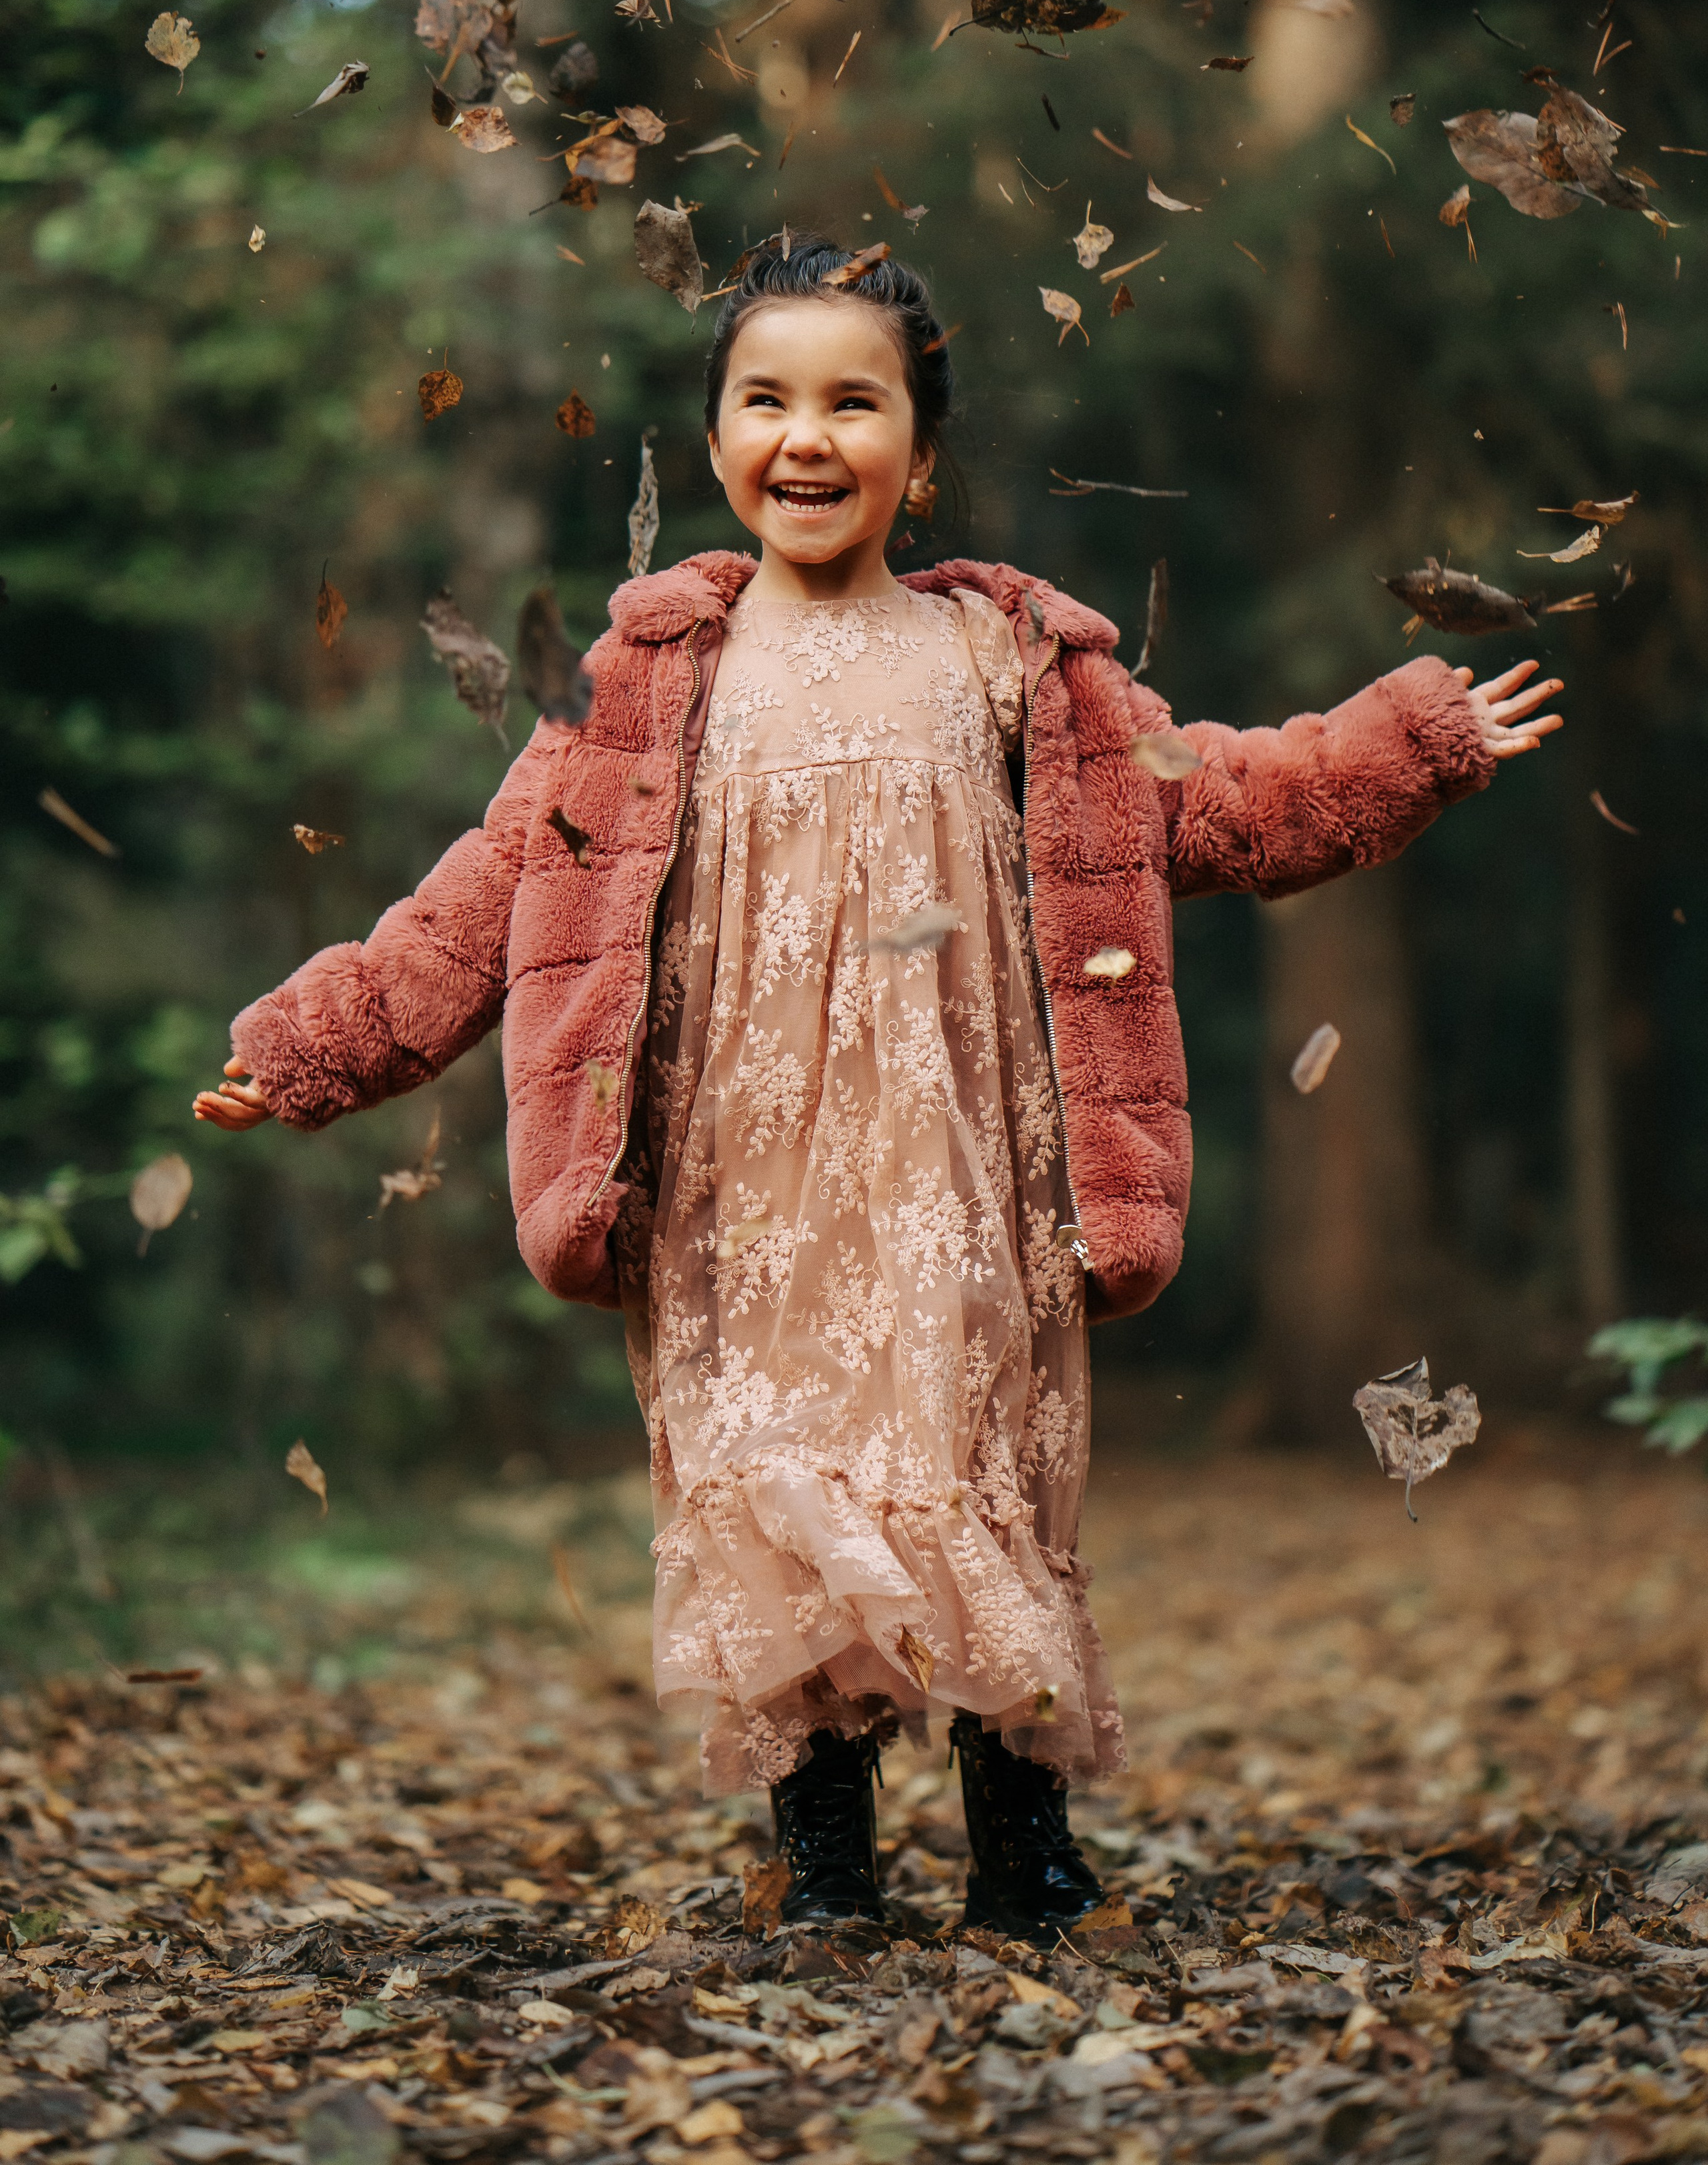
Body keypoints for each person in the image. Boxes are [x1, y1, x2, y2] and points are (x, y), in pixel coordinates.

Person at [195, 237, 1564, 1943]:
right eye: (765, 400)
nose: (807, 437)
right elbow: (487, 900)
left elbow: (1204, 797)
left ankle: (1022, 1845)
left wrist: (1405, 743)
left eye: (854, 403)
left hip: (958, 1154)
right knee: (772, 1472)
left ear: (919, 454)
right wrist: (311, 1044)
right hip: (734, 1177)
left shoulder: (1006, 661)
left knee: (968, 1456)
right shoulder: (640, 690)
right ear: (714, 440)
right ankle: (825, 1858)